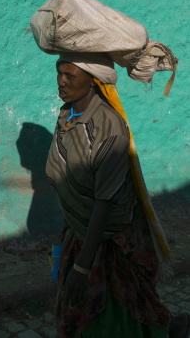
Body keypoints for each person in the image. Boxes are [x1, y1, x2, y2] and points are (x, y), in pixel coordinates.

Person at [45, 52, 189, 337]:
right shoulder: (67, 114)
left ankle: (172, 329)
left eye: (70, 75)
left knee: (113, 315)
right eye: (59, 73)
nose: (61, 81)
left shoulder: (108, 127)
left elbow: (103, 203)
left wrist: (82, 267)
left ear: (93, 81)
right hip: (78, 233)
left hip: (108, 241)